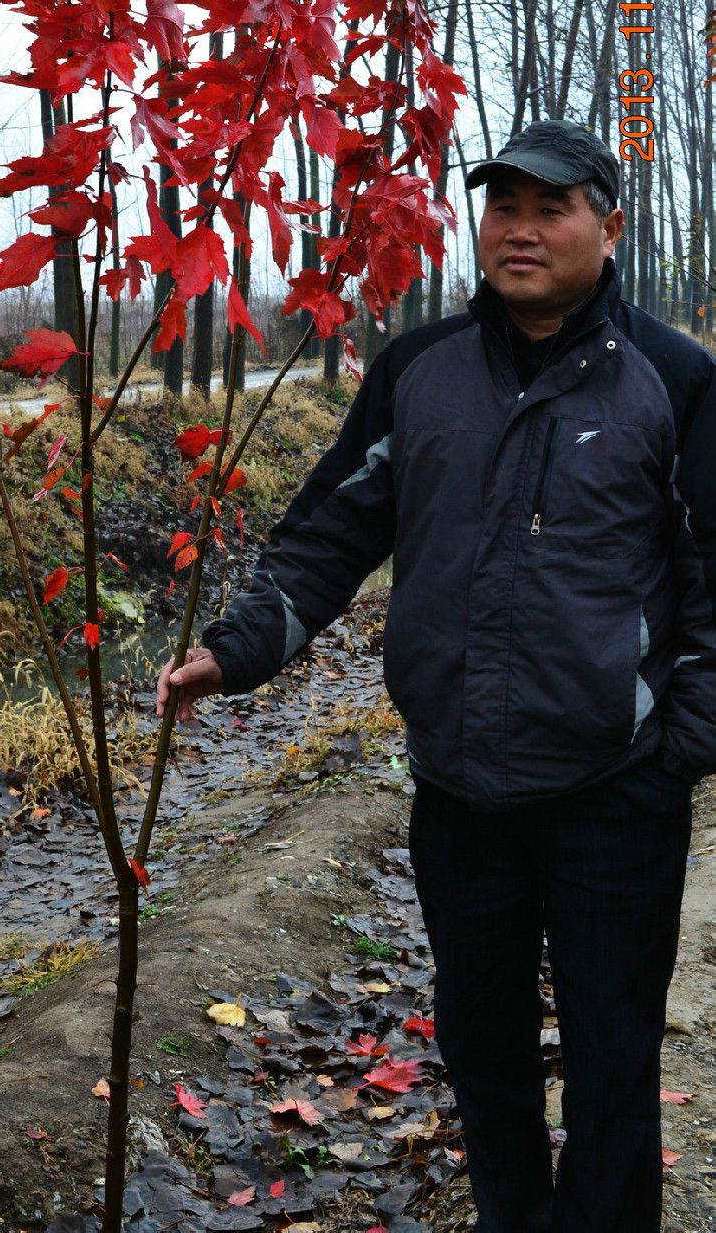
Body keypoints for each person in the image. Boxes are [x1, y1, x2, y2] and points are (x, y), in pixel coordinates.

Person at [156, 118, 716, 1233]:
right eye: (501, 206)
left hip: (618, 789)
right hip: (460, 788)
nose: (519, 230)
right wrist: (241, 645)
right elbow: (328, 533)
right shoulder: (418, 371)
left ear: (607, 225)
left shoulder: (677, 378)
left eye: (549, 208)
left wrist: (682, 748)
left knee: (612, 1059)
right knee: (483, 1049)